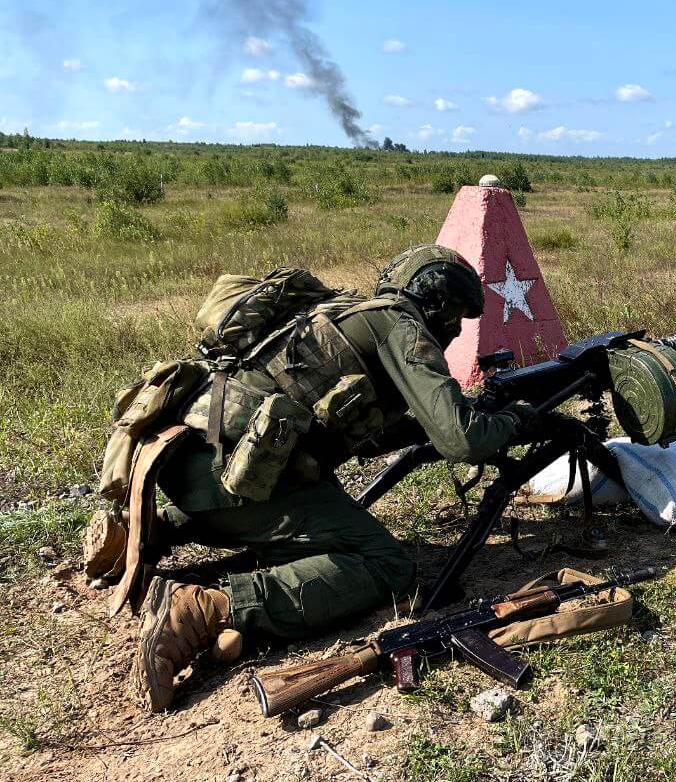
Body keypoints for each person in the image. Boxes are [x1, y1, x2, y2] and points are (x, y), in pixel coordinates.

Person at [97, 244, 534, 712]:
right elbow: (462, 440)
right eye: (460, 315)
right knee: (388, 567)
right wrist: (516, 421)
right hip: (240, 480)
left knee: (302, 517)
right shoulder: (403, 327)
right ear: (439, 300)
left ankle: (155, 530)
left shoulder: (346, 316)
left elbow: (360, 431)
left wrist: (435, 419)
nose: (457, 328)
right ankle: (206, 610)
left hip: (188, 467)